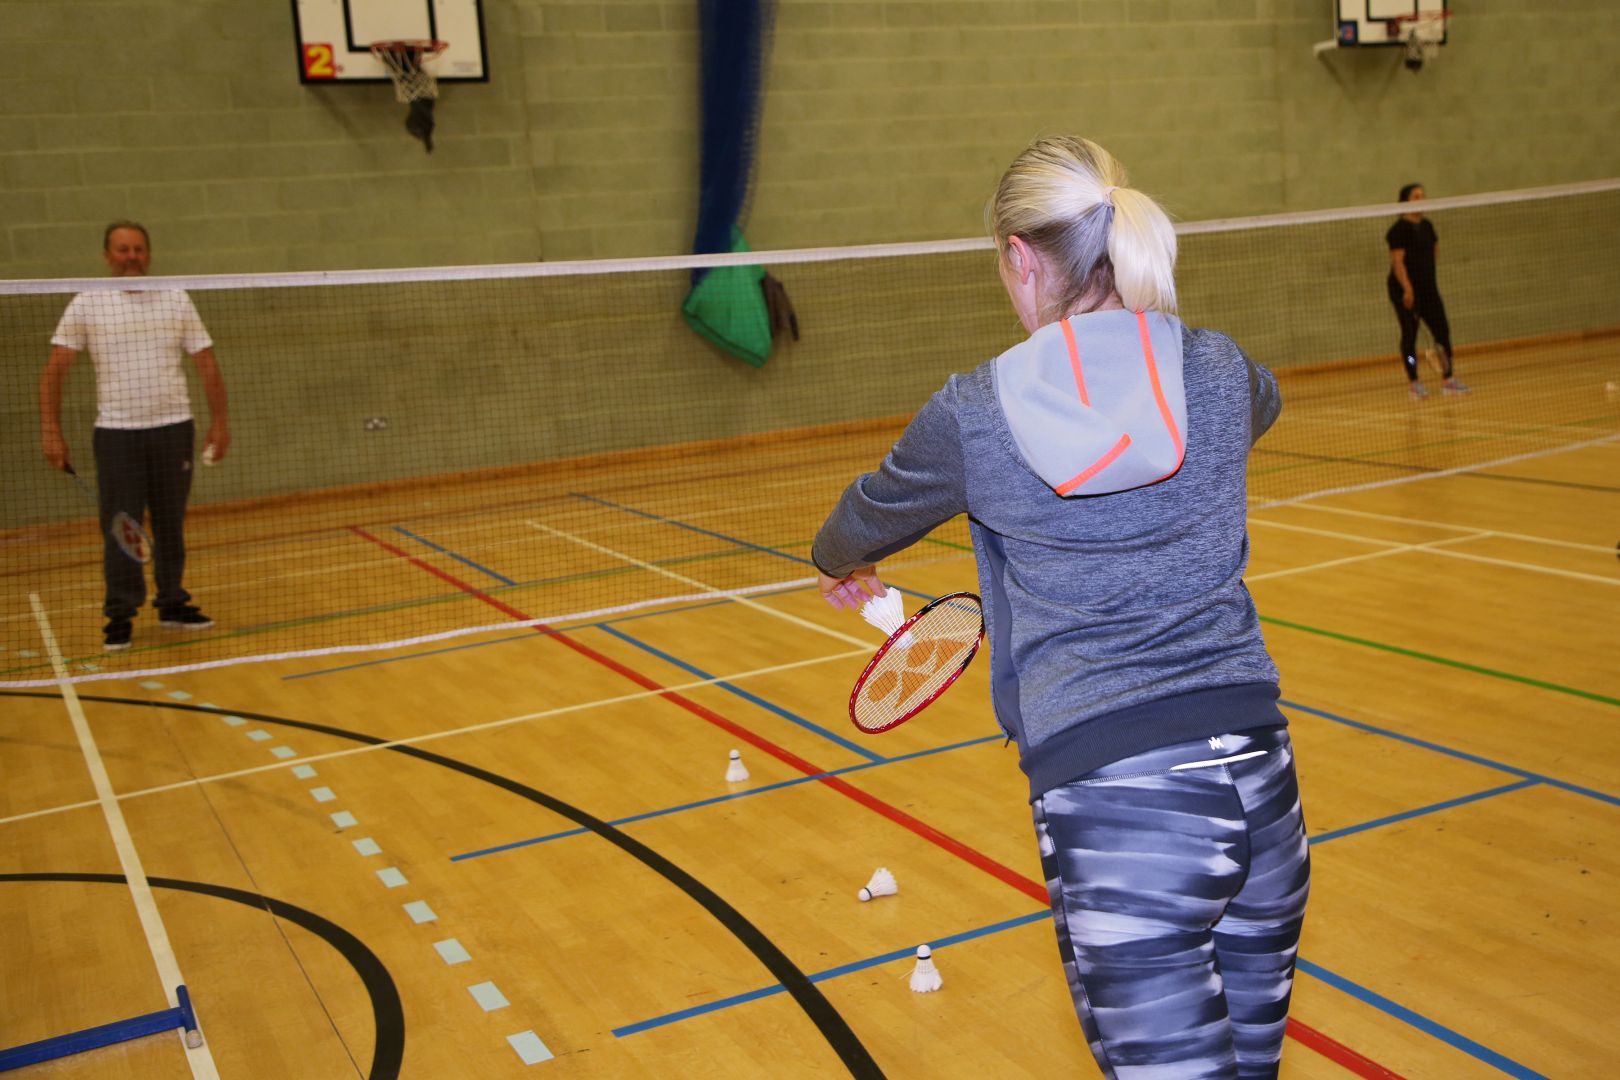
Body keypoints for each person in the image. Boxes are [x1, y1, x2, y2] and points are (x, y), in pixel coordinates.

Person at [812, 137, 1308, 1079]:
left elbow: (865, 518)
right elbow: (1262, 405)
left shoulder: (975, 413)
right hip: (1260, 787)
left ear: (1020, 257)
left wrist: (840, 561)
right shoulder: (1215, 368)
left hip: (1120, 807)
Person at [39, 221, 229, 651]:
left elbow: (207, 363)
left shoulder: (176, 298)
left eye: (139, 249)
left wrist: (220, 422)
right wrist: (51, 430)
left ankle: (173, 602)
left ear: (149, 254)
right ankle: (120, 615)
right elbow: (54, 371)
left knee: (169, 524)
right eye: (123, 250)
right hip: (117, 435)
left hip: (174, 429)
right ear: (108, 256)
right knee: (122, 528)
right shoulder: (88, 303)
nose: (132, 257)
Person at [1386, 183, 1468, 398]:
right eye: (1416, 196)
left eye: (1423, 195)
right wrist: (1408, 290)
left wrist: (1426, 280)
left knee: (1442, 331)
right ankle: (1414, 381)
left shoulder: (1428, 226)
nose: (1421, 199)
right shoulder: (1398, 230)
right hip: (1404, 290)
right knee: (1410, 335)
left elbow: (1434, 253)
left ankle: (1448, 378)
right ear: (1405, 202)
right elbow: (1398, 263)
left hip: (1428, 289)